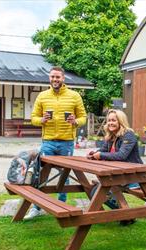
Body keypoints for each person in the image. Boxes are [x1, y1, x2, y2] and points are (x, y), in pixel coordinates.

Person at [25, 66, 86, 220]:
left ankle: (62, 205)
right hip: (48, 142)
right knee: (42, 175)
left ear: (63, 78)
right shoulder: (42, 96)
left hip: (67, 143)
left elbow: (83, 118)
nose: (55, 79)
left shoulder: (74, 96)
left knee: (64, 175)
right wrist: (42, 120)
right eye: (52, 77)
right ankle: (36, 207)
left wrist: (75, 122)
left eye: (57, 77)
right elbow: (33, 118)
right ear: (49, 78)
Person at [87, 109, 142, 225]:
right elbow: (102, 150)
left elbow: (122, 155)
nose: (110, 123)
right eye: (109, 120)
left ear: (120, 121)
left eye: (114, 120)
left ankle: (126, 215)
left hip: (133, 177)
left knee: (98, 191)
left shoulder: (128, 135)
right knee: (94, 191)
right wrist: (93, 154)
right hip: (119, 175)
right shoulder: (111, 136)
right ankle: (126, 215)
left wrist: (100, 155)